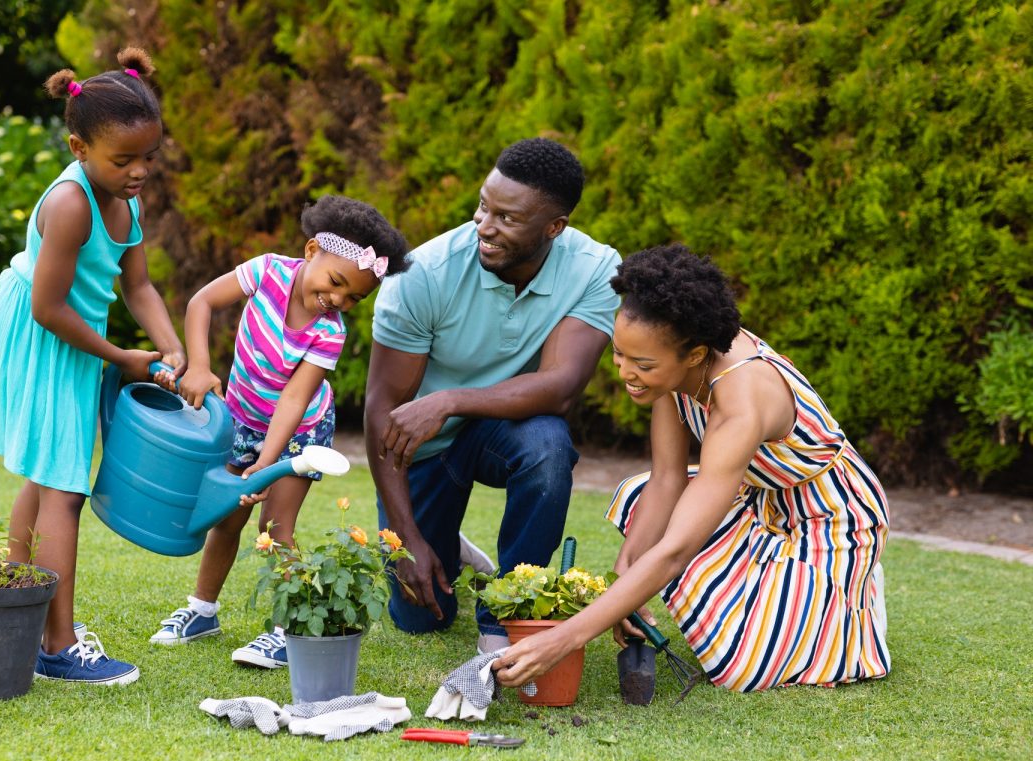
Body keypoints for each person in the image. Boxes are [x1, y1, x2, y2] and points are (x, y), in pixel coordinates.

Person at [493, 244, 891, 692]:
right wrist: (625, 580)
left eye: (643, 364)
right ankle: (802, 608)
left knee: (743, 672)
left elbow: (678, 548)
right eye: (620, 354)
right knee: (639, 494)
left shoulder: (741, 400)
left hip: (830, 514)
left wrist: (561, 641)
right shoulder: (674, 365)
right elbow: (667, 479)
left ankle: (841, 609)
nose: (625, 372)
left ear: (696, 355)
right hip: (760, 497)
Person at [0, 48, 185, 685]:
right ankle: (57, 648)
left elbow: (138, 286)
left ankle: (19, 611)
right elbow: (47, 308)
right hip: (40, 335)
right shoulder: (71, 203)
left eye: (150, 156)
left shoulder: (126, 196)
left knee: (45, 475)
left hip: (72, 339)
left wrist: (174, 351)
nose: (140, 171)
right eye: (124, 160)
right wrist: (124, 358)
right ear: (78, 146)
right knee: (63, 487)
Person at [365, 137, 621, 654]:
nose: (484, 225)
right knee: (420, 618)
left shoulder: (594, 268)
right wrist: (407, 537)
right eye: (484, 205)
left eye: (507, 218)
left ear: (554, 228)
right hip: (424, 448)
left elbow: (561, 386)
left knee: (549, 446)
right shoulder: (423, 275)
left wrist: (449, 401)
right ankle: (442, 543)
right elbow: (381, 413)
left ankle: (505, 614)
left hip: (498, 430)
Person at [148, 195, 410, 669]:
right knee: (228, 518)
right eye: (335, 283)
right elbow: (201, 302)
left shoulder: (330, 332)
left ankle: (288, 632)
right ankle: (202, 610)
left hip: (298, 435)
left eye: (354, 298)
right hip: (241, 419)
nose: (339, 300)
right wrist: (201, 366)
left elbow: (294, 397)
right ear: (311, 251)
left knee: (275, 526)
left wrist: (266, 463)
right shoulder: (267, 272)